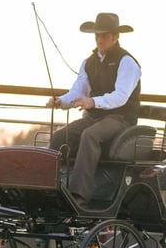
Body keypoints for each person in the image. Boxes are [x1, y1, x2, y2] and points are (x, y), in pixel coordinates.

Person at [46, 12, 142, 208]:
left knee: (90, 135)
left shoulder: (127, 62)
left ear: (115, 37)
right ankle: (49, 187)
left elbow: (120, 96)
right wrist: (61, 101)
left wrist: (93, 102)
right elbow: (78, 91)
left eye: (104, 35)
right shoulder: (89, 62)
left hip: (120, 118)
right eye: (97, 35)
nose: (99, 39)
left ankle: (78, 196)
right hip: (95, 117)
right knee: (59, 137)